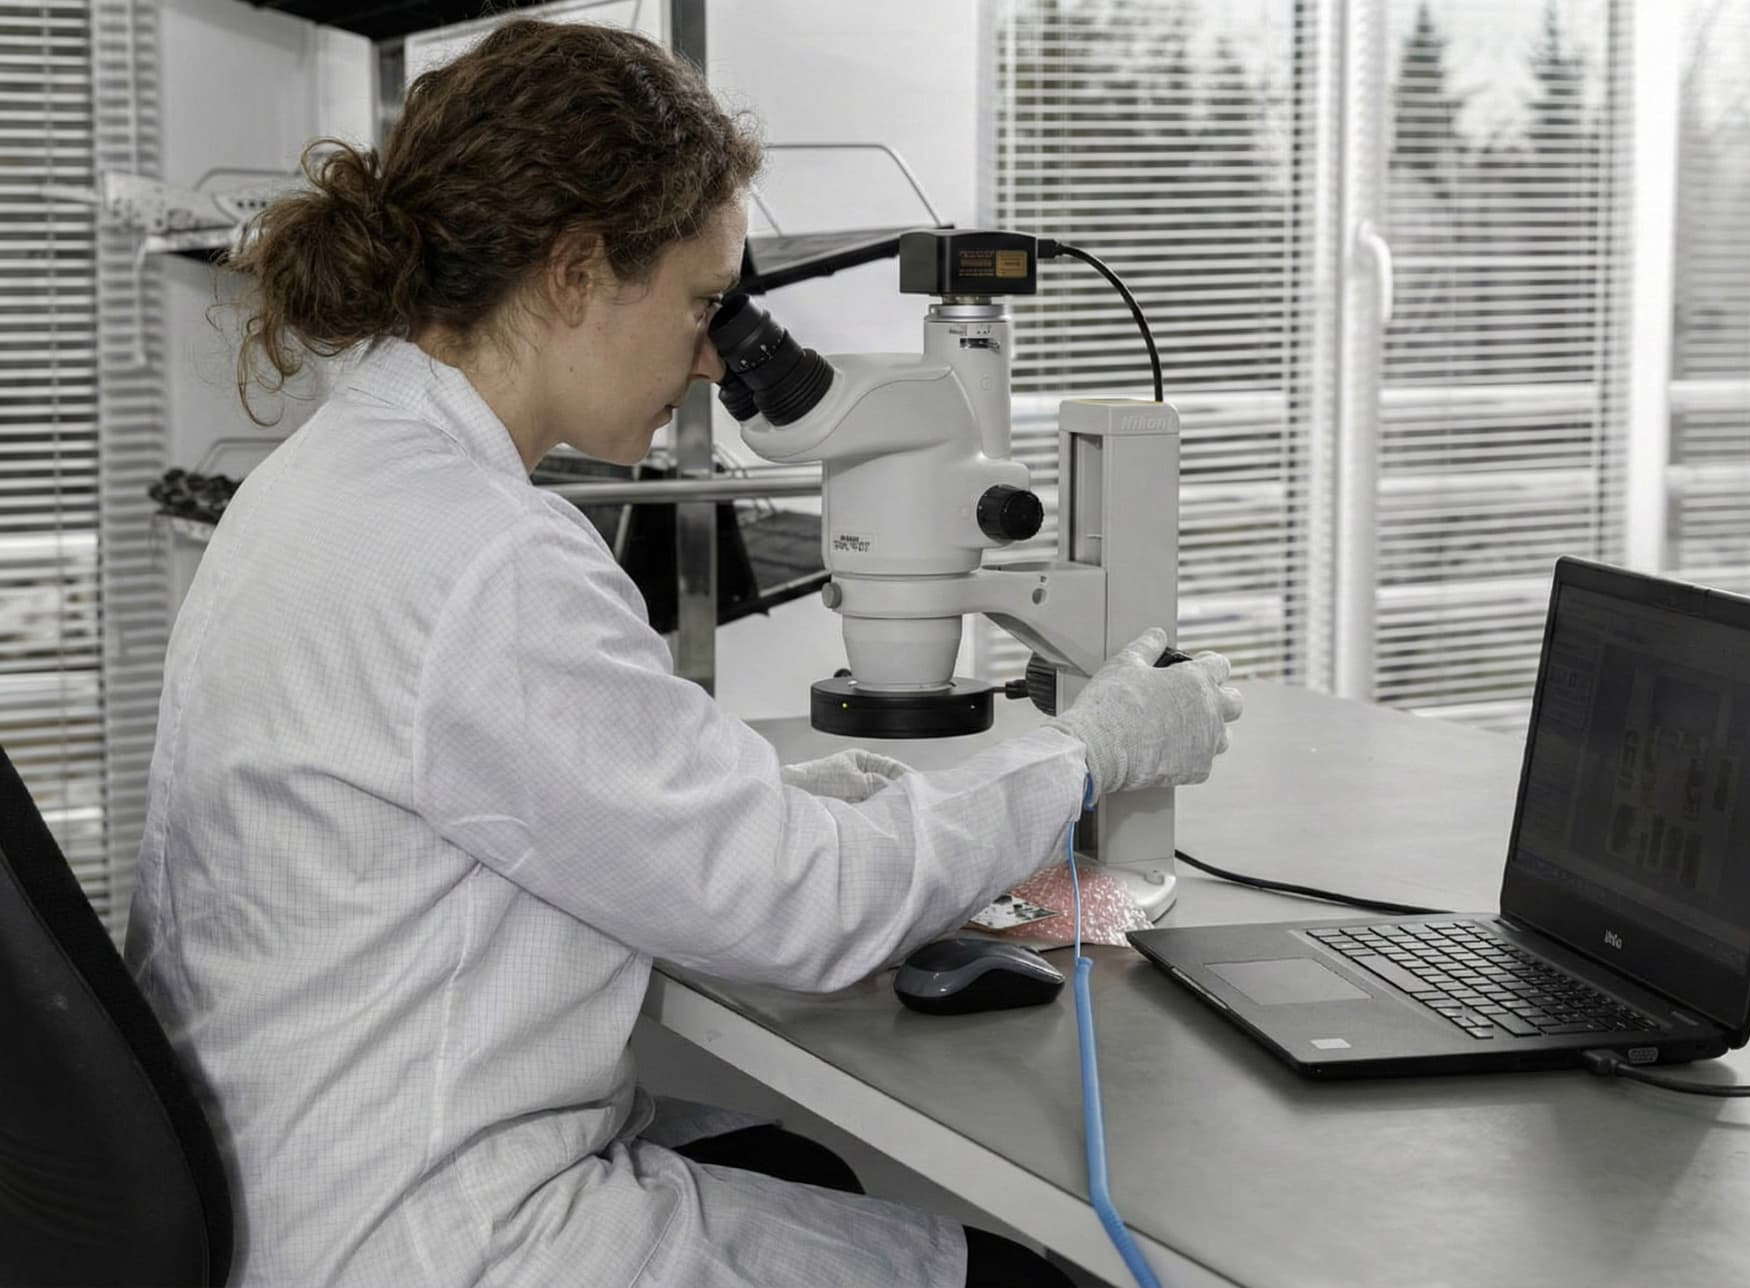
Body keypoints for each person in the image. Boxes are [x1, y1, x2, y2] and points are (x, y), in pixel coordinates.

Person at [125, 19, 1240, 1288]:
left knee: (805, 1168)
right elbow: (800, 912)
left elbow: (536, 784)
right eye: (704, 302)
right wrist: (1086, 754)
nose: (716, 354)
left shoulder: (329, 477)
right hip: (435, 1236)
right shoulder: (484, 554)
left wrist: (785, 798)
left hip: (295, 1183)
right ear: (577, 272)